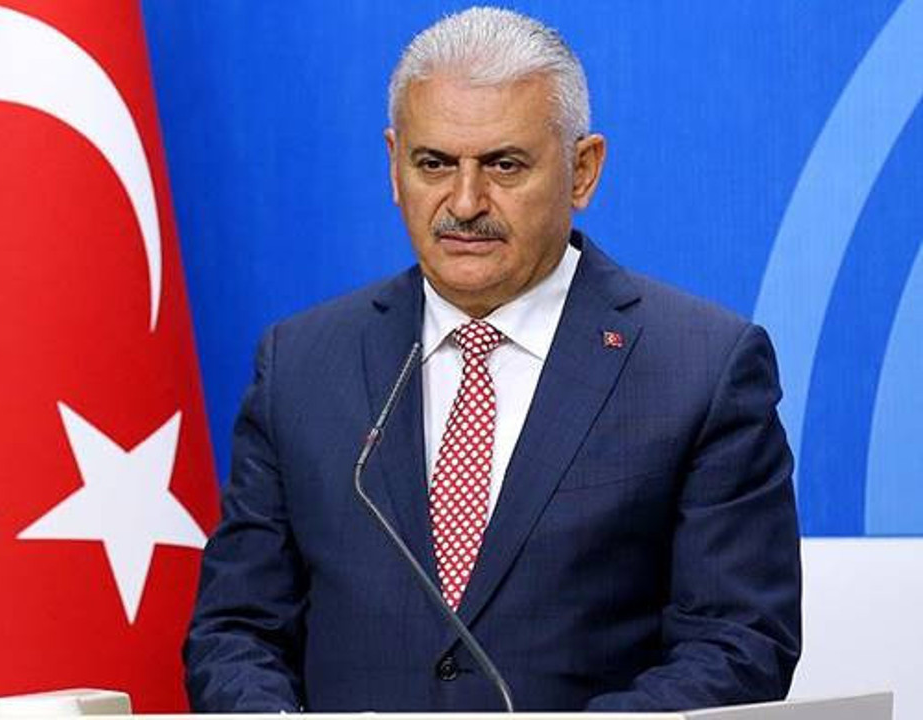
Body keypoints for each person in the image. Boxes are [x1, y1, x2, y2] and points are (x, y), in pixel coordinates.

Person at [184, 6, 801, 712]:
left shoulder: (700, 367)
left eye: (504, 165)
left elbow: (738, 643)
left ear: (582, 171)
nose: (466, 201)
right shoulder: (301, 364)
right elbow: (237, 631)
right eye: (434, 164)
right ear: (394, 165)